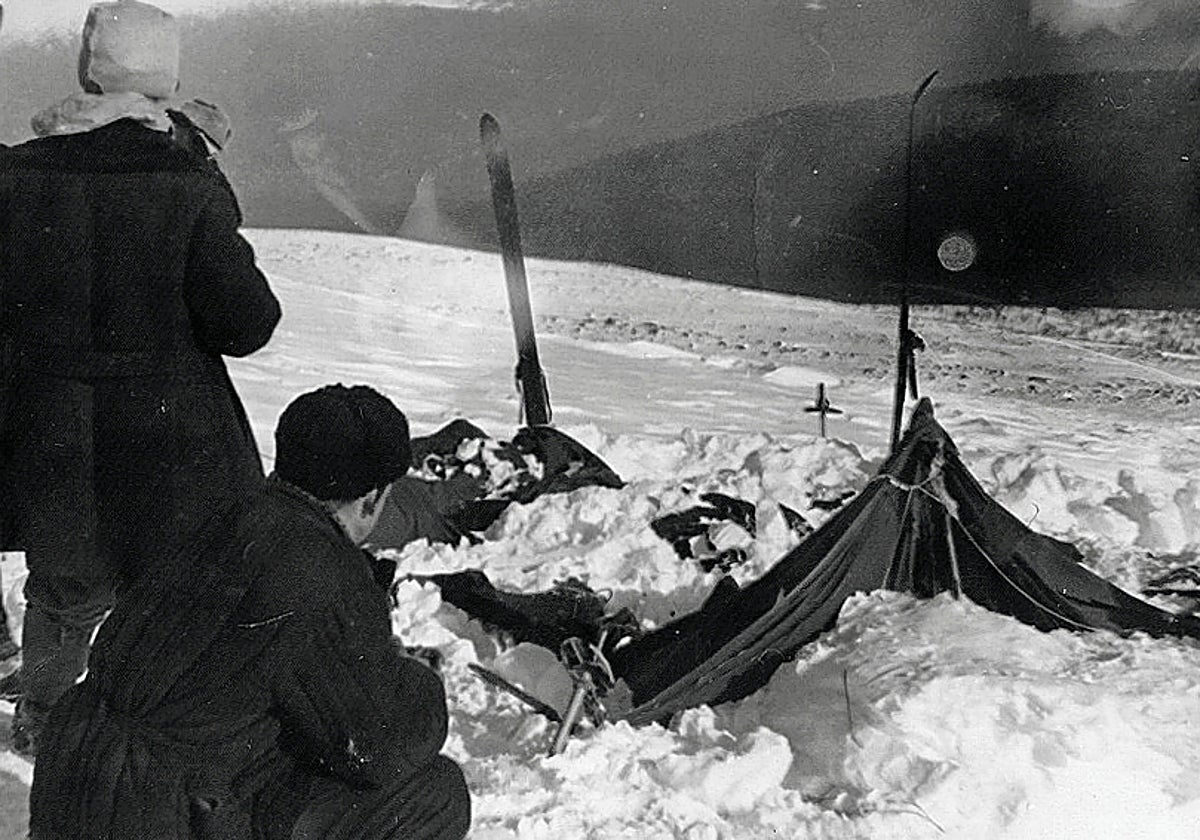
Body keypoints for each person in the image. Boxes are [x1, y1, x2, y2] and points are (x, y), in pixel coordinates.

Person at [0, 0, 281, 755]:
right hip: (168, 433)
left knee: (62, 591)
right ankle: (157, 734)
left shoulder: (11, 175)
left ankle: (46, 727)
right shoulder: (185, 179)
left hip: (49, 429)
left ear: (85, 70)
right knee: (168, 592)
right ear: (170, 78)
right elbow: (247, 324)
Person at [29, 384, 472, 840]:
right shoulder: (318, 563)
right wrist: (419, 680)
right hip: (155, 811)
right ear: (372, 498)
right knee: (434, 794)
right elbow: (378, 748)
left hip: (74, 778)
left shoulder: (218, 512)